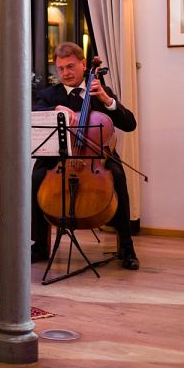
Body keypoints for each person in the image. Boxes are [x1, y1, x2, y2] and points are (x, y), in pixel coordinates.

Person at [32, 42, 139, 270]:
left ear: (83, 64)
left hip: (96, 159)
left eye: (70, 66)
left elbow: (129, 124)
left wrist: (107, 101)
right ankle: (39, 244)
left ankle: (127, 247)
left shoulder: (100, 91)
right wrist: (54, 110)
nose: (65, 73)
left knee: (118, 177)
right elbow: (31, 114)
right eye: (60, 69)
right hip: (58, 159)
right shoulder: (49, 95)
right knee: (36, 177)